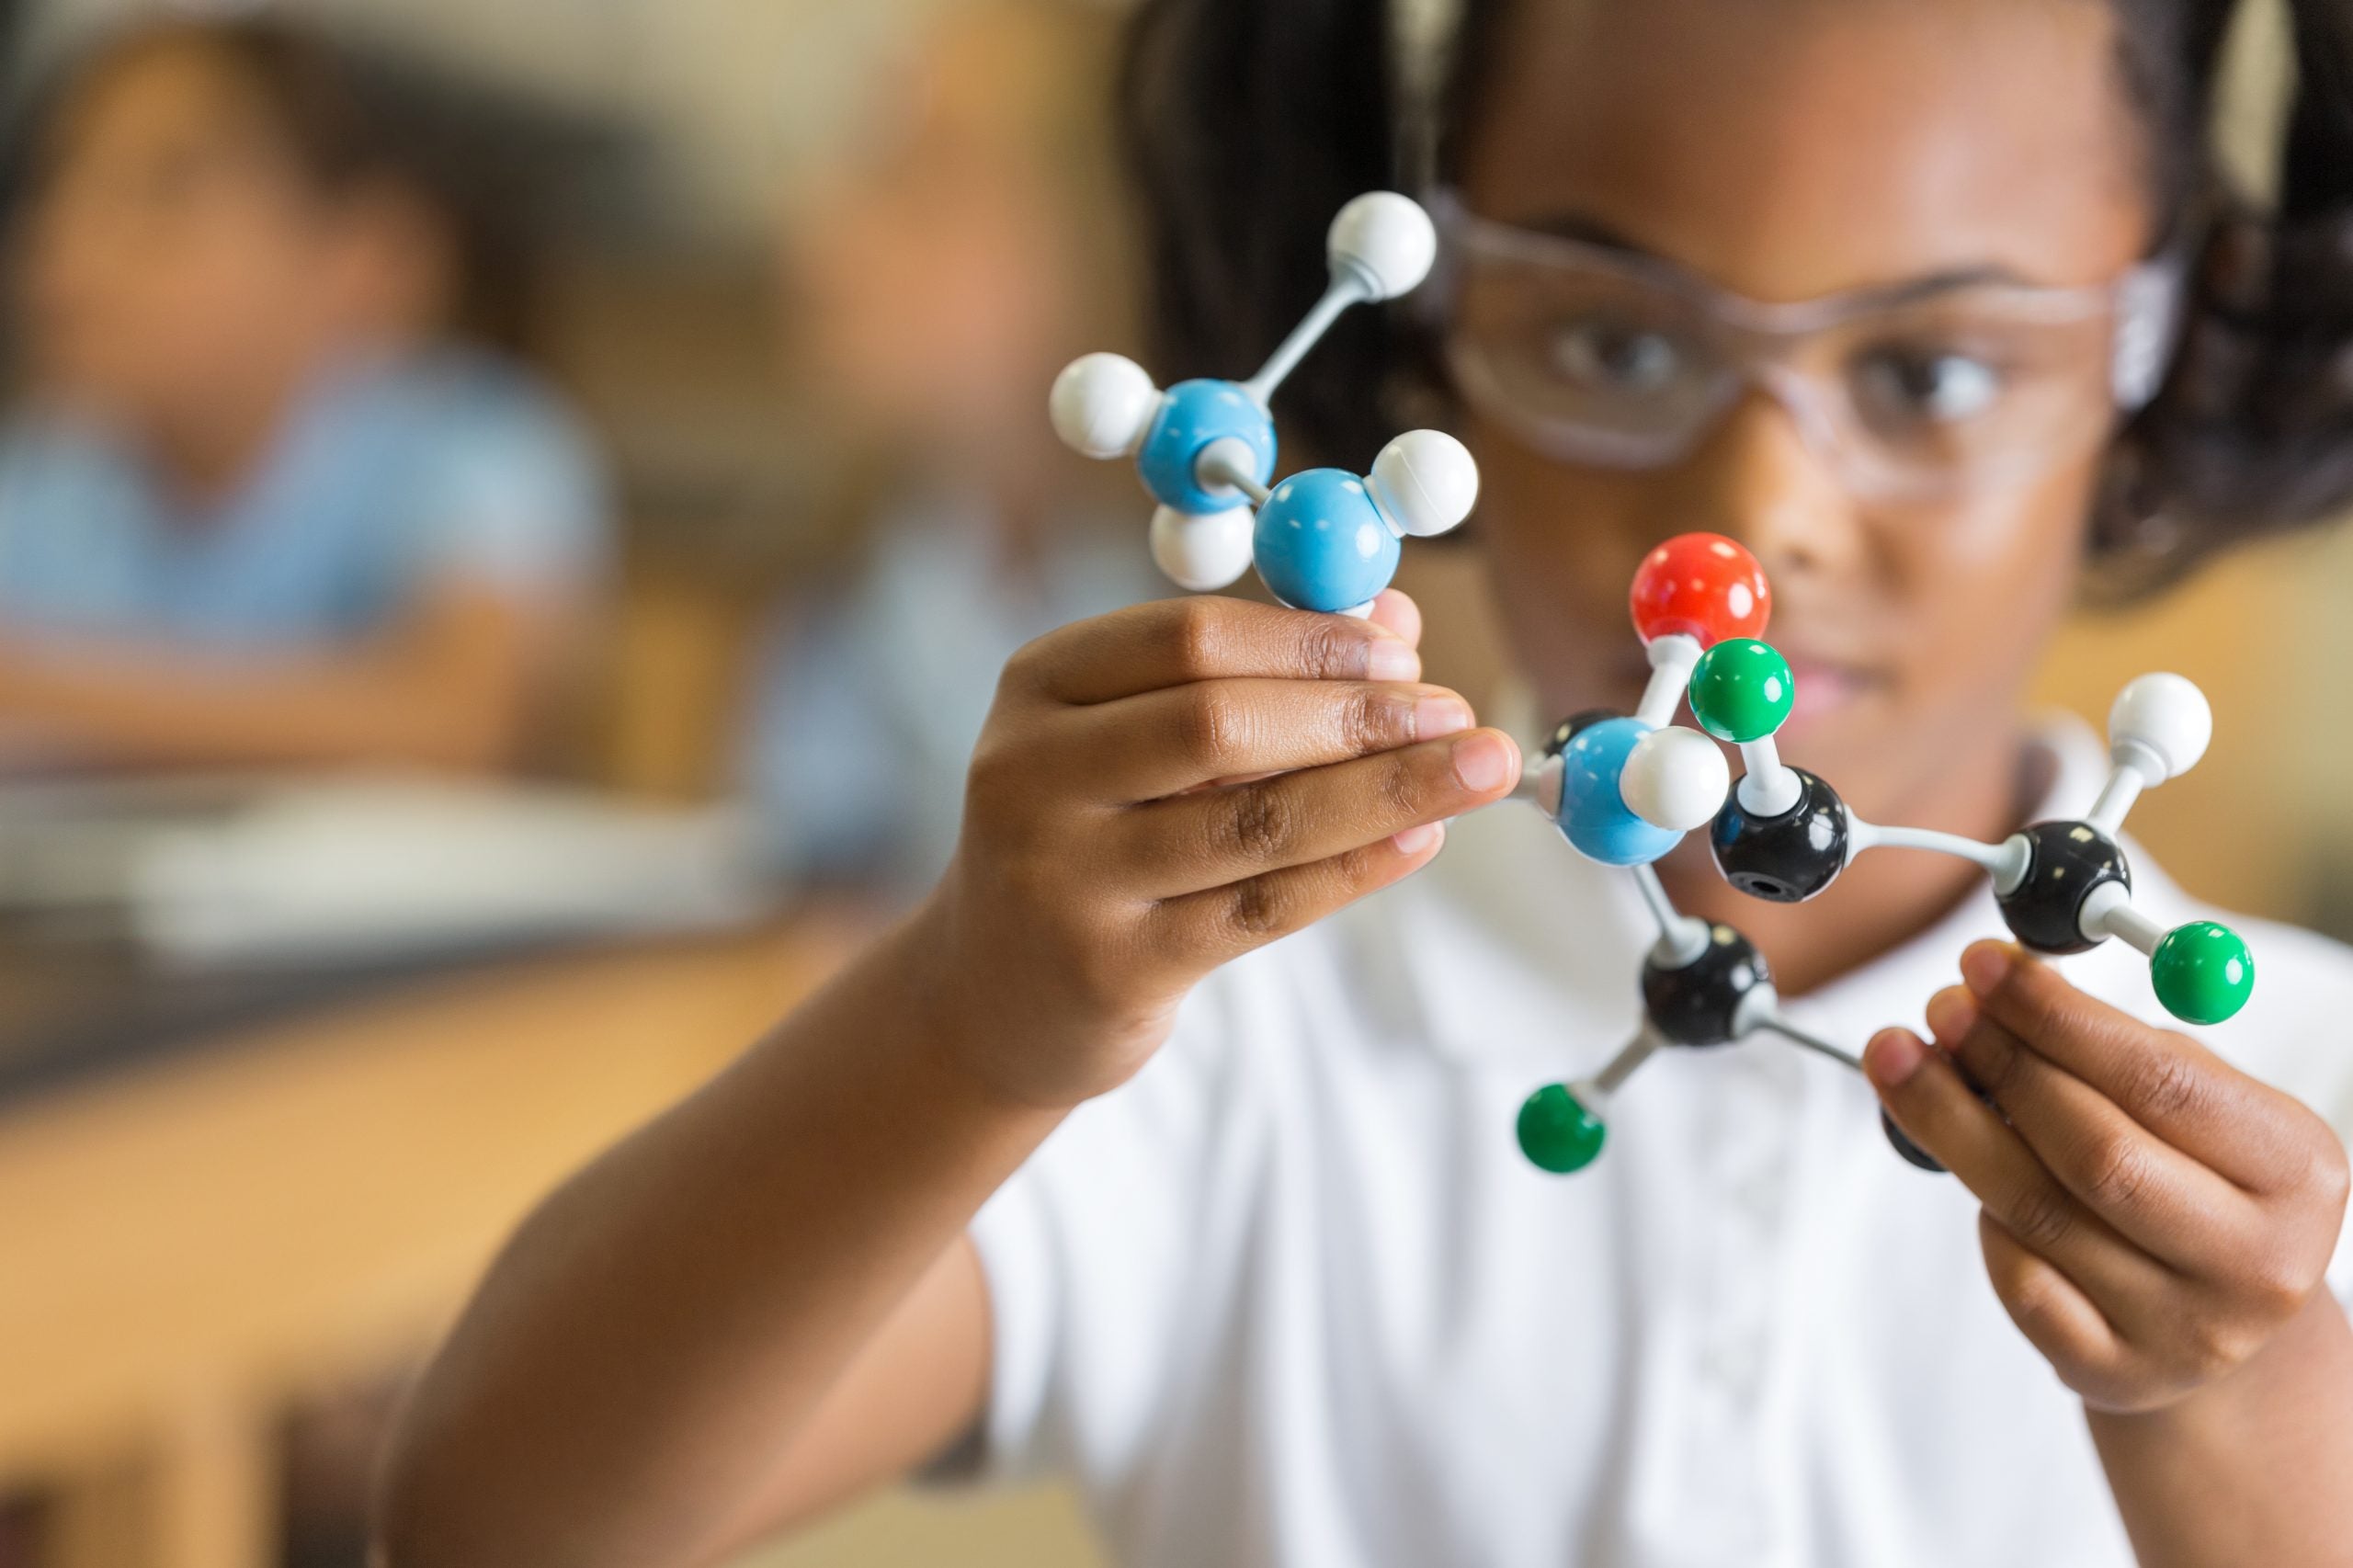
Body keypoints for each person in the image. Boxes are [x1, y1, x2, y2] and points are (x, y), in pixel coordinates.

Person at [374, 2, 2353, 1565]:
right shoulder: (1217, 1030)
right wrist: (962, 1029)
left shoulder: (2300, 1100)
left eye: (1925, 373)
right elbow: (492, 1514)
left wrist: (2224, 1397)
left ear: (2156, 353)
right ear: (1429, 335)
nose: (1749, 522)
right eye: (1605, 331)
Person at [0, 17, 610, 774]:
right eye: (60, 185)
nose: (68, 247)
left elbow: (462, 718)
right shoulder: (44, 474)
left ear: (369, 257)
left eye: (166, 192)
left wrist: (43, 692)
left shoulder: (475, 442)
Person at [738, 0, 1164, 896]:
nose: (819, 232)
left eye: (914, 180)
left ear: (1098, 236)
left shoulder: (1209, 617)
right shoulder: (835, 603)